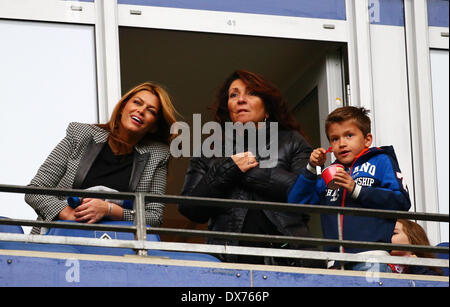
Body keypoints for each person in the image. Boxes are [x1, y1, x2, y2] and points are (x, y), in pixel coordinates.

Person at [178, 69, 321, 267]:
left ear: (267, 107)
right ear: (227, 108)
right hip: (228, 261)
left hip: (290, 258)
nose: (241, 99)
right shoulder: (209, 148)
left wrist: (248, 170)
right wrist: (229, 168)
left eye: (252, 93)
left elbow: (304, 194)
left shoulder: (292, 140)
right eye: (234, 95)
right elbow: (189, 208)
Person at [25, 81, 179, 234]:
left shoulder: (157, 155)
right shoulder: (80, 135)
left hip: (112, 247)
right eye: (137, 103)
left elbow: (154, 217)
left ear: (154, 127)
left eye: (151, 111)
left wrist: (109, 210)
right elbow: (35, 191)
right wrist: (68, 215)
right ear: (122, 108)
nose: (141, 110)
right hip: (58, 238)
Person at [288, 106, 411, 271]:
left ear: (367, 139)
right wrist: (311, 168)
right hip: (335, 262)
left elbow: (401, 201)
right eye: (335, 139)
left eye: (349, 135)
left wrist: (356, 189)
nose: (342, 143)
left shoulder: (381, 160)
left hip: (372, 257)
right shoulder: (328, 173)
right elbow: (296, 204)